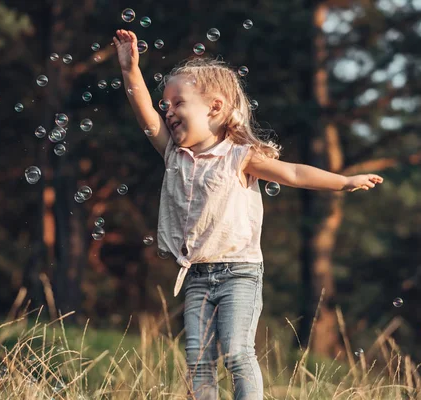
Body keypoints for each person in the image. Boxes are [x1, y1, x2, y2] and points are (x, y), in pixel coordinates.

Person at [113, 29, 383, 400]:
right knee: (197, 360)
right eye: (166, 105)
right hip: (196, 274)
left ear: (215, 107)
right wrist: (129, 70)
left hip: (239, 271)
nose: (168, 112)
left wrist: (343, 181)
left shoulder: (241, 157)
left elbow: (294, 173)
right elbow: (144, 111)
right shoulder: (173, 154)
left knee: (238, 353)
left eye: (178, 103)